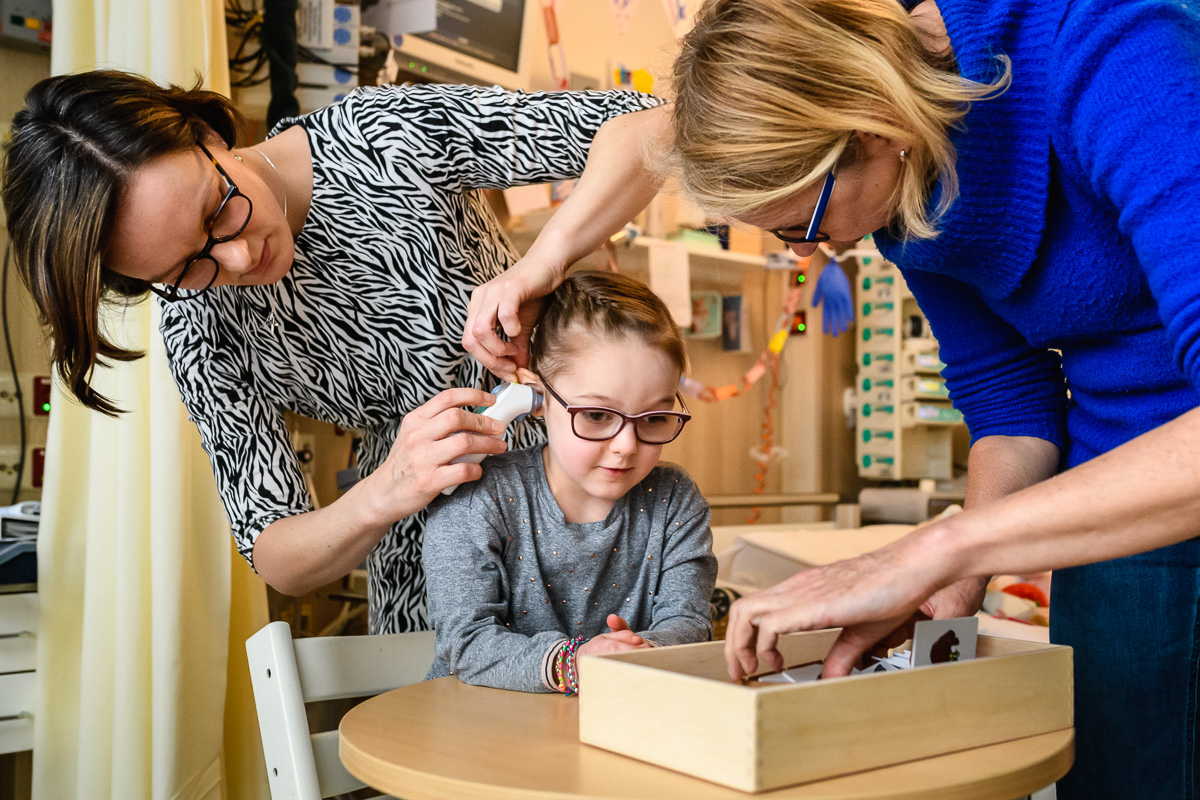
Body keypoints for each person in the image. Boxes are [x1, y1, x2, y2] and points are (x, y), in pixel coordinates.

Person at [460, 0, 1200, 795]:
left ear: (874, 124)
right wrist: (945, 588)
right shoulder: (904, 187)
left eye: (798, 222)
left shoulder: (1112, 49)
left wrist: (932, 551)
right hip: (1117, 494)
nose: (814, 249)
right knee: (1121, 769)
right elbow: (1010, 403)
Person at [2, 70, 670, 634]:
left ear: (207, 137)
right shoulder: (202, 328)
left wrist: (540, 268)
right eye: (185, 266)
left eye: (216, 209)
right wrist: (389, 488)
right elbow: (276, 553)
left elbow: (652, 126)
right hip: (443, 581)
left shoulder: (381, 138)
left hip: (599, 489)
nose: (237, 258)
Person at [424, 270, 717, 693]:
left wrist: (636, 653)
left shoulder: (674, 501)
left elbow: (689, 624)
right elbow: (467, 645)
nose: (626, 446)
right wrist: (575, 664)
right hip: (479, 735)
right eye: (597, 415)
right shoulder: (479, 498)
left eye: (653, 418)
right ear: (536, 396)